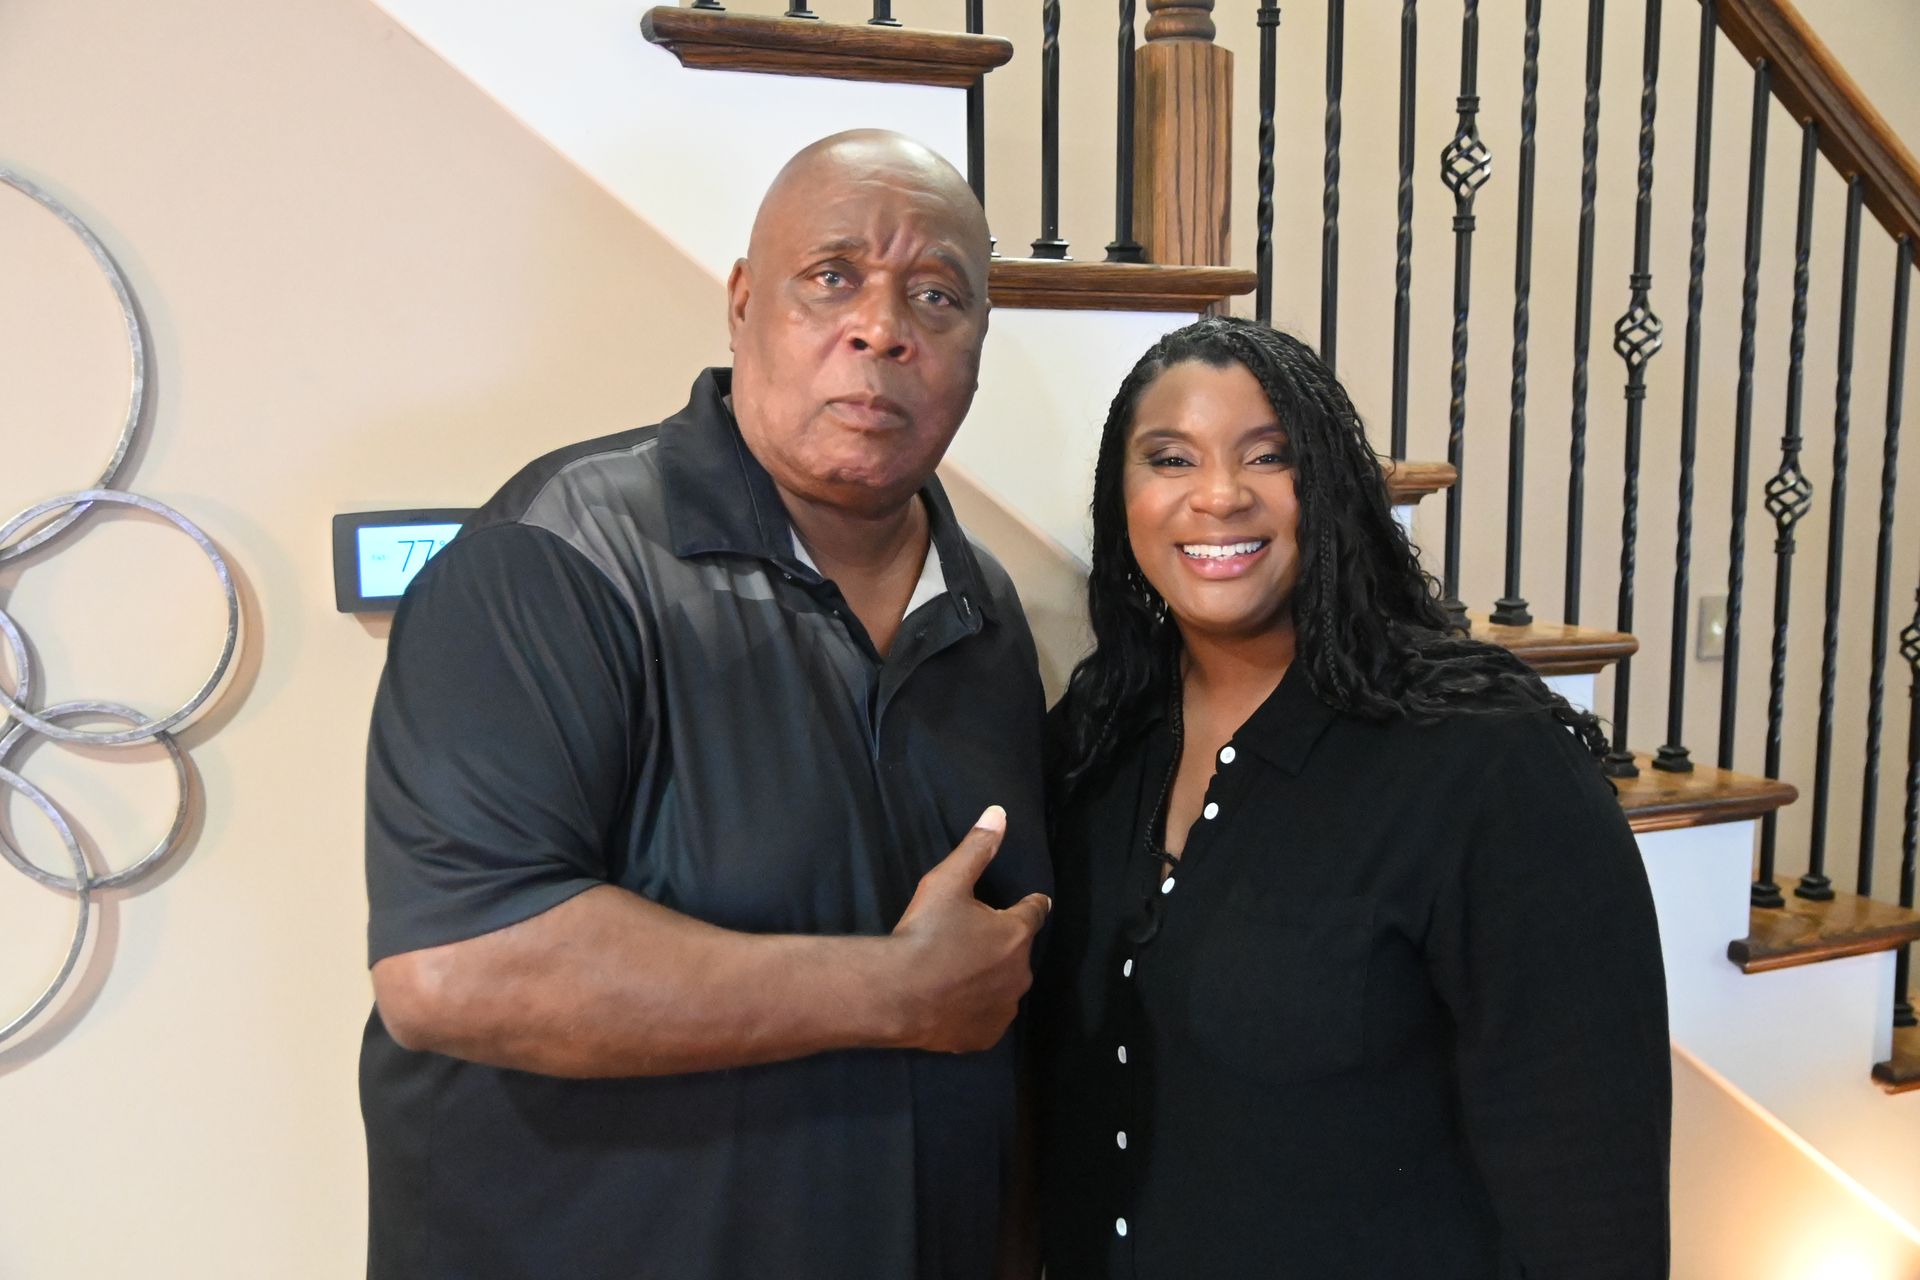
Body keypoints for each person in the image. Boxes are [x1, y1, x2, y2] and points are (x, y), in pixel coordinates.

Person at [358, 130, 1052, 1280]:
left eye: (937, 295)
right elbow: (457, 966)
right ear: (741, 304)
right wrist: (895, 991)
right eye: (832, 275)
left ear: (976, 343)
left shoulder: (984, 616)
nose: (882, 327)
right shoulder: (555, 557)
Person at [1036, 317, 1670, 1277]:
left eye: (1270, 456)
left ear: (1330, 488)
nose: (1220, 494)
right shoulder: (1095, 739)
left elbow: (1591, 1188)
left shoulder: (1486, 759)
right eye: (1170, 459)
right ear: (1121, 499)